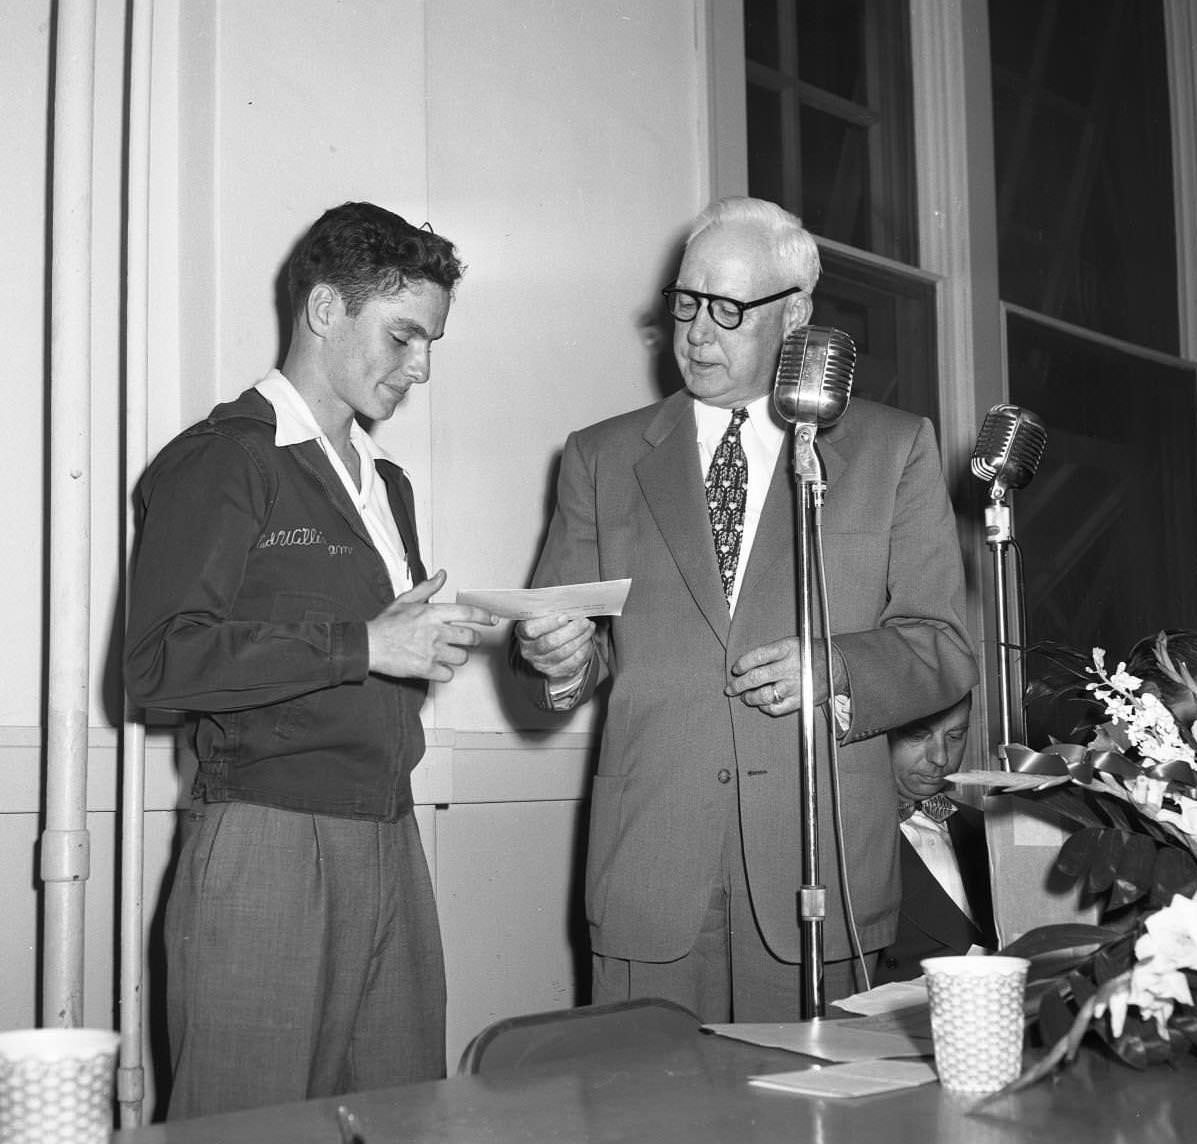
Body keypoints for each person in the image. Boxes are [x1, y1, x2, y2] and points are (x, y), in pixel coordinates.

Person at [509, 196, 977, 1019]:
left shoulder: (891, 448)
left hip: (820, 876)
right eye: (685, 304)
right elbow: (577, 649)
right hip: (650, 873)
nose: (696, 335)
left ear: (796, 312)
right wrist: (557, 659)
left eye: (728, 310)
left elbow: (940, 646)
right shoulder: (601, 457)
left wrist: (832, 667)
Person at [123, 202, 496, 1118]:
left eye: (432, 342)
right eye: (404, 335)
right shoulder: (224, 461)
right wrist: (366, 643)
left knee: (402, 1118)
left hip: (390, 838)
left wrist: (442, 642)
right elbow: (158, 664)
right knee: (247, 1125)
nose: (422, 367)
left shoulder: (385, 484)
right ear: (325, 310)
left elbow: (365, 657)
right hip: (267, 838)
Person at [873, 693, 998, 984]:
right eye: (918, 736)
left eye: (955, 736)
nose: (940, 757)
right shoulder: (845, 840)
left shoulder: (987, 827)